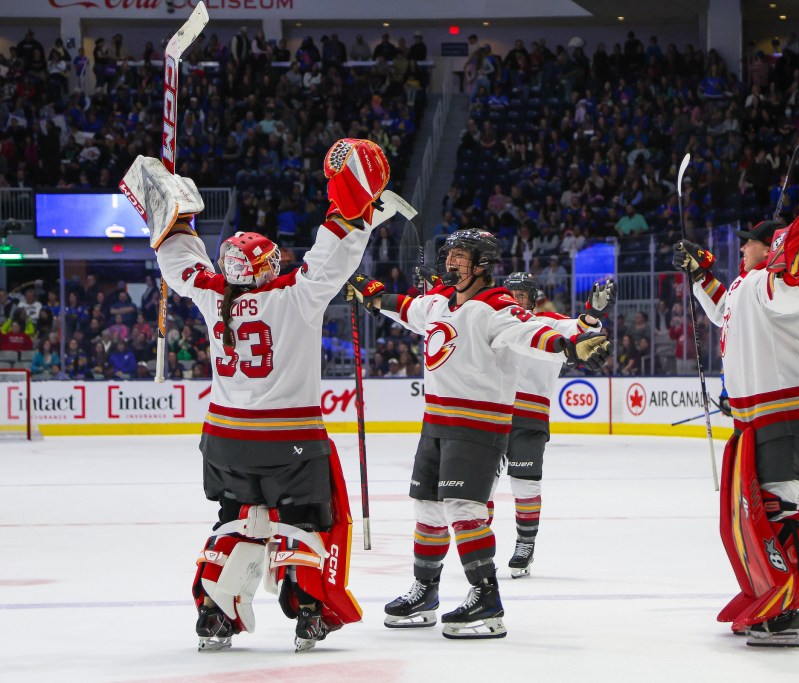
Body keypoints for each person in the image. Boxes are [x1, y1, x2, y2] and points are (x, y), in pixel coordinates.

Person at [120, 138, 395, 652]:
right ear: (269, 265)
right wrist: (355, 206)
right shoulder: (296, 293)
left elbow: (179, 259)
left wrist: (172, 217)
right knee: (303, 522)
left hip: (223, 439)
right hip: (288, 439)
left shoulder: (210, 292)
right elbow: (332, 251)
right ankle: (309, 613)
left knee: (239, 520)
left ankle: (215, 614)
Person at [346, 229, 610, 640]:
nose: (450, 262)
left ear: (483, 264)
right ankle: (425, 592)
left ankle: (486, 599)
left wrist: (569, 347)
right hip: (435, 422)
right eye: (449, 254)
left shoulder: (496, 305)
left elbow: (530, 332)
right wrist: (374, 296)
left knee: (464, 510)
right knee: (428, 508)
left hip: (477, 425)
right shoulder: (439, 303)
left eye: (461, 256)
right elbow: (409, 308)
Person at [674, 194, 799, 647]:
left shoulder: (778, 285)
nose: (741, 249)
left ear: (769, 246)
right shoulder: (746, 287)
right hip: (788, 415)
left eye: (749, 244)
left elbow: (798, 292)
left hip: (786, 415)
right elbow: (723, 308)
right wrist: (700, 275)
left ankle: (792, 610)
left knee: (777, 509)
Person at [497, 272, 613, 577]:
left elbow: (580, 329)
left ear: (533, 299)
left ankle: (525, 544)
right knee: (482, 486)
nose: (516, 299)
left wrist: (594, 313)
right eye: (512, 293)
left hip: (530, 415)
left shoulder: (549, 322)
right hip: (492, 412)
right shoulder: (494, 319)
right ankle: (481, 544)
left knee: (525, 485)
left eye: (523, 294)